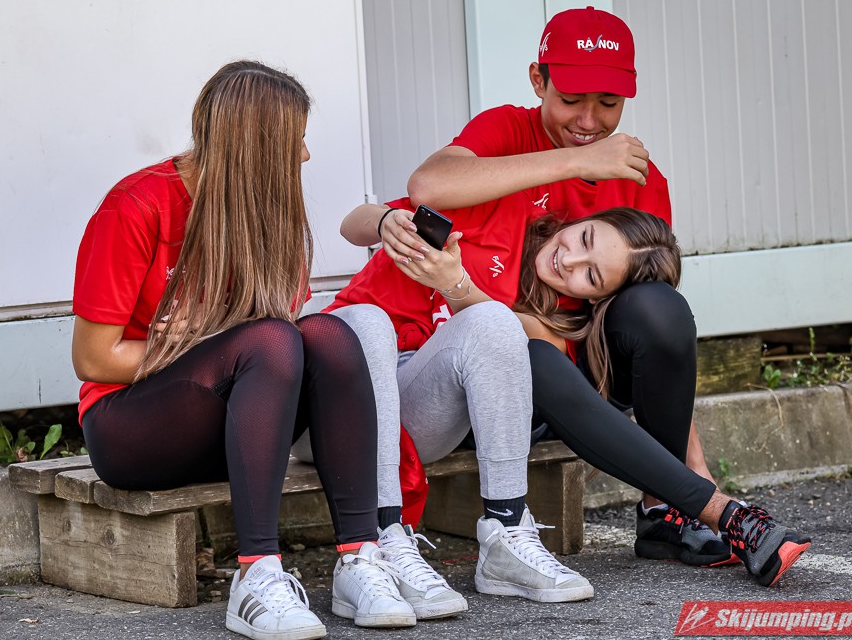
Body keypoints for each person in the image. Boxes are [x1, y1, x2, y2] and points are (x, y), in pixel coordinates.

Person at [71, 61, 417, 640]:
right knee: (273, 340)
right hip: (130, 427)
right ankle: (256, 575)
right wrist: (192, 345)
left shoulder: (267, 214)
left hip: (234, 423)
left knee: (329, 336)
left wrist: (210, 338)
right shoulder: (136, 206)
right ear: (255, 146)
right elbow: (93, 359)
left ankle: (361, 558)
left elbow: (274, 344)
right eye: (295, 140)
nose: (305, 155)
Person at [335, 195, 810, 594]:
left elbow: (501, 337)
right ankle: (724, 513)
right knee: (387, 327)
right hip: (369, 384)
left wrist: (455, 286)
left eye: (591, 276)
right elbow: (351, 223)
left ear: (596, 297)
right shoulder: (500, 224)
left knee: (534, 354)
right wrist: (386, 221)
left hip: (458, 411)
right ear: (584, 220)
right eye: (583, 239)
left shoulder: (561, 312)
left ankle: (688, 512)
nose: (569, 261)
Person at [403, 5, 735, 568]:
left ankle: (665, 509)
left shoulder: (639, 179)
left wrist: (696, 467)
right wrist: (574, 162)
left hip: (589, 377)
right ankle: (703, 505)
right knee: (532, 351)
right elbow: (427, 186)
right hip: (502, 381)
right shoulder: (507, 129)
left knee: (660, 305)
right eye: (571, 99)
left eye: (608, 103)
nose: (589, 120)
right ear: (538, 80)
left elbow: (661, 337)